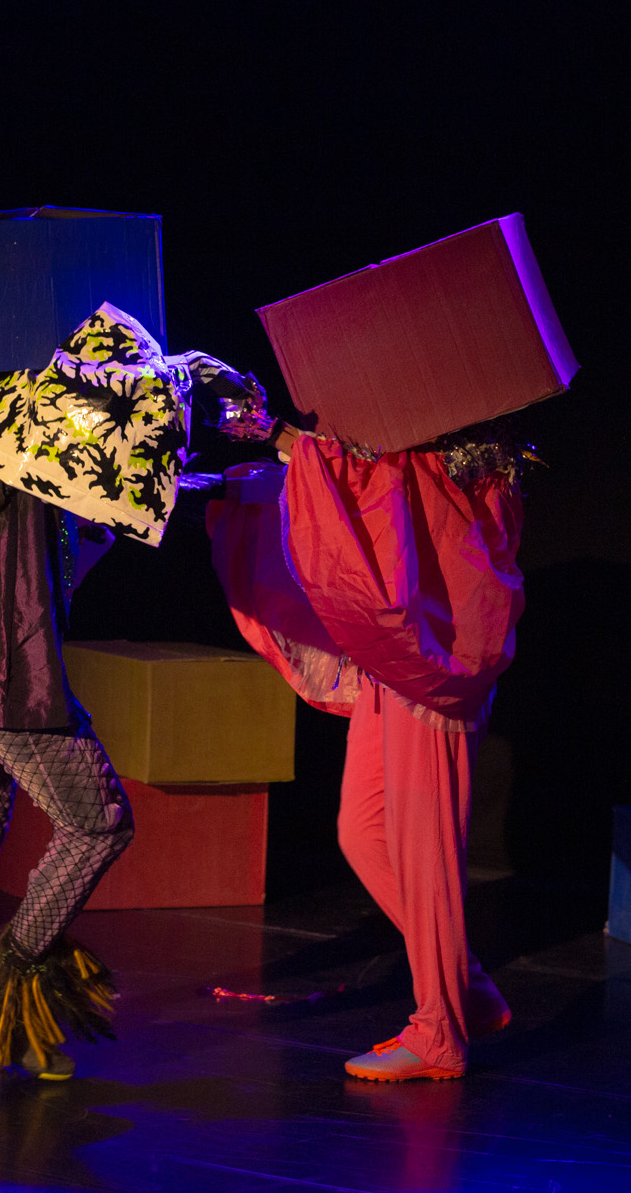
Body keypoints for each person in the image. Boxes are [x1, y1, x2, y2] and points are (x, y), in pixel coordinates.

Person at [0, 304, 246, 1080]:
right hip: (1, 664)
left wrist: (194, 481)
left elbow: (83, 493)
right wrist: (193, 372)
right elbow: (106, 434)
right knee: (97, 823)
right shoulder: (18, 408)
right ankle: (4, 1003)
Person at [209, 399, 530, 1082]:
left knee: (426, 857)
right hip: (398, 655)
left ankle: (439, 1032)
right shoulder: (431, 449)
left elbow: (386, 497)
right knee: (363, 830)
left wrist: (280, 436)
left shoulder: (455, 458)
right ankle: (464, 986)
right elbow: (374, 484)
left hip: (433, 657)